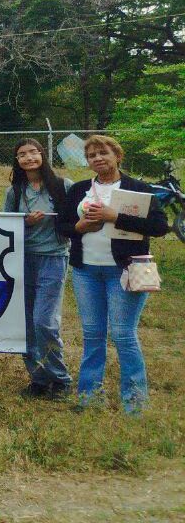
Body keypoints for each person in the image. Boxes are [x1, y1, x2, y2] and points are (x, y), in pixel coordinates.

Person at [56, 135, 169, 415]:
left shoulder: (138, 188)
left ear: (118, 155)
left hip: (126, 269)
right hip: (86, 271)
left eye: (103, 153)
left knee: (123, 334)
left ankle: (135, 403)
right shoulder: (80, 189)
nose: (97, 158)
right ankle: (89, 397)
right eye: (91, 155)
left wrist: (114, 216)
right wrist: (80, 227)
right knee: (93, 334)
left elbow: (159, 226)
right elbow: (62, 226)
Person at [4, 138, 73, 399]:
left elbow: (73, 220)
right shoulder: (14, 192)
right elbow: (6, 227)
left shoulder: (62, 186)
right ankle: (38, 377)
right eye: (22, 154)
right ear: (17, 161)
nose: (29, 157)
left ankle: (60, 379)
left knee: (44, 321)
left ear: (42, 154)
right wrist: (26, 223)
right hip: (23, 259)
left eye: (33, 152)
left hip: (53, 257)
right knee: (25, 323)